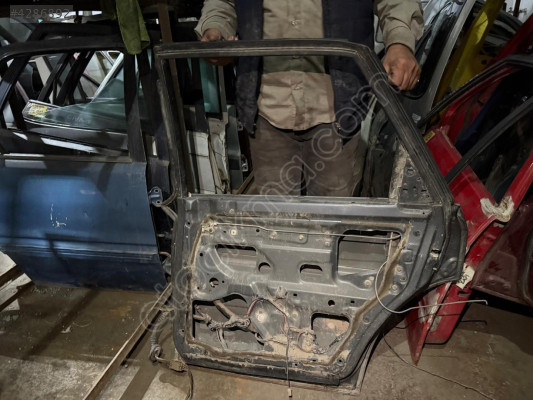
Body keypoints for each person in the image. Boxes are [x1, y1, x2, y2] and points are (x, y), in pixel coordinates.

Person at [195, 0, 423, 196]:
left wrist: (400, 42)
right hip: (265, 109)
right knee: (276, 218)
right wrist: (216, 28)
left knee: (334, 218)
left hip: (338, 110)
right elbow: (223, 3)